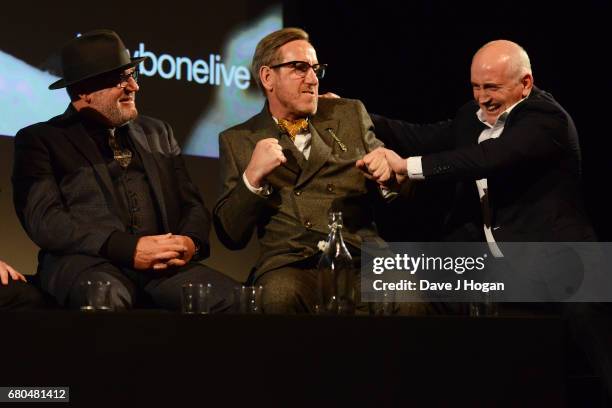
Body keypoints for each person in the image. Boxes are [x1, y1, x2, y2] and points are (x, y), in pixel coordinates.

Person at [12, 29, 236, 311]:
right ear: (84, 90)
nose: (134, 86)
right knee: (104, 298)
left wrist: (190, 242)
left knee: (236, 300)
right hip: (87, 264)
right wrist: (126, 249)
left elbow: (191, 203)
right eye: (121, 79)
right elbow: (46, 221)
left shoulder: (158, 132)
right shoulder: (41, 140)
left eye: (133, 75)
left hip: (162, 268)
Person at [213, 27, 391, 314]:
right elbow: (231, 235)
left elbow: (395, 188)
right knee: (277, 296)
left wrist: (389, 176)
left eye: (315, 69)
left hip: (361, 258)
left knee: (407, 294)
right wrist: (252, 178)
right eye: (299, 68)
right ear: (268, 77)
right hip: (291, 265)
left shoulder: (348, 113)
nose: (312, 80)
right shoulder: (239, 139)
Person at [360, 39, 595, 246]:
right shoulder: (471, 115)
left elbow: (486, 158)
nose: (482, 98)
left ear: (525, 84)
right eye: (476, 86)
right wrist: (354, 112)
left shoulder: (546, 119)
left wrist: (405, 167)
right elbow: (421, 137)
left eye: (492, 87)